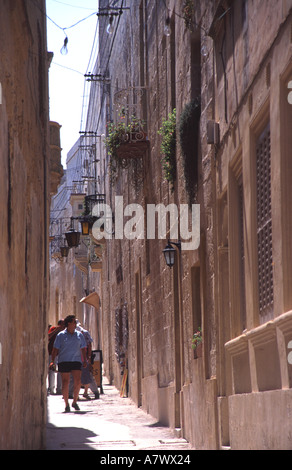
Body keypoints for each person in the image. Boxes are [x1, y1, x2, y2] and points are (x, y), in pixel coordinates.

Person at [50, 315, 88, 412]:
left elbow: (83, 348)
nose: (75, 324)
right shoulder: (61, 335)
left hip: (76, 360)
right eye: (74, 322)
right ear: (69, 323)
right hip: (64, 360)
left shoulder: (79, 335)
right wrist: (52, 361)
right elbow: (55, 349)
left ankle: (74, 401)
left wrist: (85, 360)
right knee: (65, 382)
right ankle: (66, 404)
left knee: (78, 381)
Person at [47, 319, 65, 395]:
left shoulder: (65, 333)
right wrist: (56, 330)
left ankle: (59, 389)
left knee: (60, 371)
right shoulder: (53, 329)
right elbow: (48, 336)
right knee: (52, 371)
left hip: (61, 354)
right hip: (52, 353)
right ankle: (51, 388)